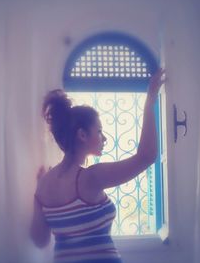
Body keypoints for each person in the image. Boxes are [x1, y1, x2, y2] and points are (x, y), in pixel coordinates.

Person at [30, 68, 166, 263]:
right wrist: (150, 101)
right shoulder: (91, 177)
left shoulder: (43, 184)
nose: (103, 138)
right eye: (99, 131)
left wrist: (38, 193)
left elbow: (40, 240)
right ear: (82, 135)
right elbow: (146, 156)